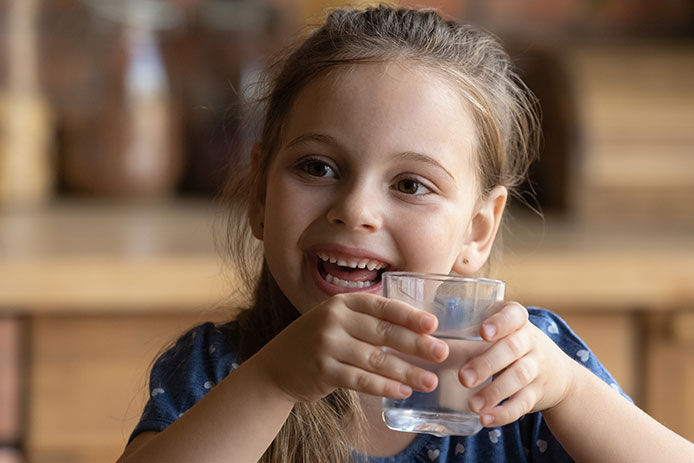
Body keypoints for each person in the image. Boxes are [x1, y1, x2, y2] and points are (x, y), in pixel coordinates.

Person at [117, 5, 694, 462]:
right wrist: (272, 381)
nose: (356, 210)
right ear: (262, 196)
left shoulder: (520, 370)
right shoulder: (220, 370)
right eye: (317, 167)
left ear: (477, 230)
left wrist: (569, 390)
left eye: (412, 185)